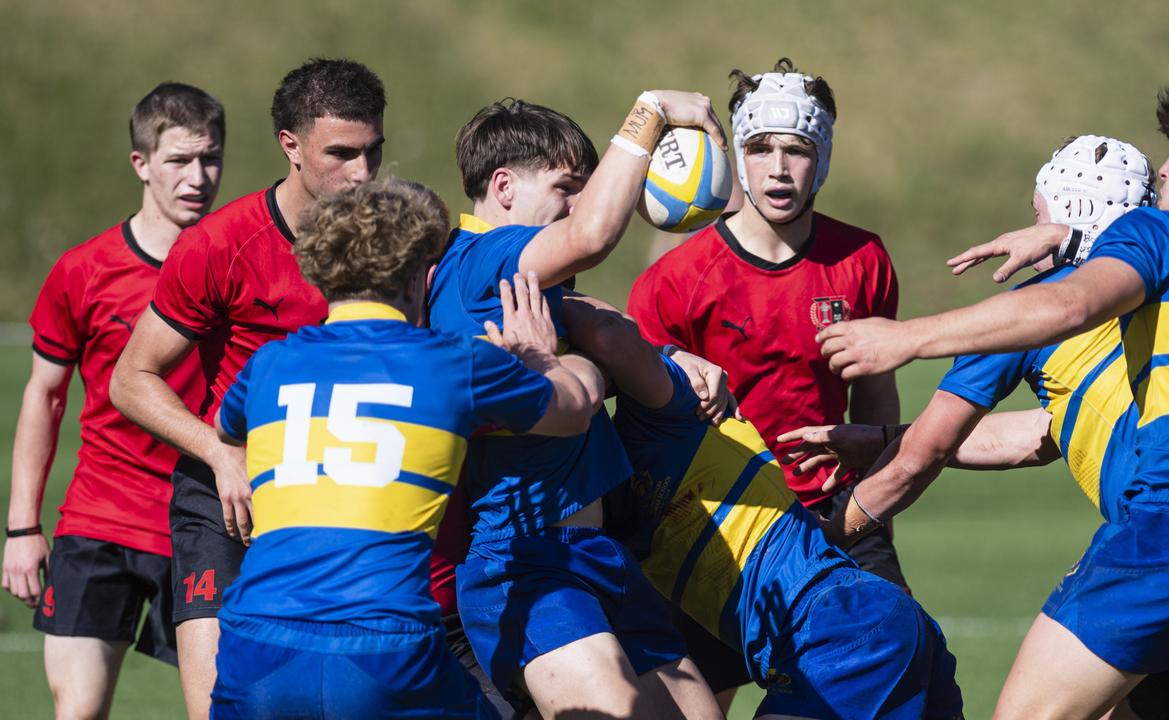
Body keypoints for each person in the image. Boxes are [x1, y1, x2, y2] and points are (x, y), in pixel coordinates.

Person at [817, 73, 1169, 719]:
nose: (1165, 173)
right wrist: (1071, 239)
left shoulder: (1161, 235)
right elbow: (1046, 430)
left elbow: (1071, 302)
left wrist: (907, 338)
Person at [208, 178, 595, 718]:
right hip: (383, 648)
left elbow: (230, 429)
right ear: (422, 275)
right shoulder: (455, 362)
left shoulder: (267, 365)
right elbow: (574, 410)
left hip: (255, 647)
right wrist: (540, 355)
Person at [430, 96, 727, 718]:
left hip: (595, 553)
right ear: (503, 185)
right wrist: (649, 112)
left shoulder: (525, 281)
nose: (577, 206)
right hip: (526, 557)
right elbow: (593, 236)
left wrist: (670, 357)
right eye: (567, 188)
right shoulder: (483, 257)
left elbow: (598, 328)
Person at [110, 58, 385, 719]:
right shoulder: (220, 244)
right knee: (221, 705)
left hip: (343, 506)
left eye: (374, 152)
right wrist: (219, 452)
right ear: (289, 146)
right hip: (225, 502)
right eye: (341, 154)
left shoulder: (393, 244)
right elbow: (131, 378)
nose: (363, 175)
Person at [550, 294, 963, 720]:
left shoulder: (669, 415)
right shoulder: (594, 513)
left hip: (834, 624)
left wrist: (523, 287)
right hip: (831, 632)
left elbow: (606, 331)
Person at [627, 58, 906, 586]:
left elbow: (874, 396)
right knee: (679, 671)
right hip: (718, 518)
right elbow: (643, 426)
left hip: (837, 509)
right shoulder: (675, 280)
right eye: (760, 149)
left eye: (797, 150)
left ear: (822, 159)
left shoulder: (863, 258)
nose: (778, 168)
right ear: (738, 156)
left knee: (907, 658)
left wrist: (875, 509)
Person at [2, 82, 223, 719]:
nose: (198, 177)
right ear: (142, 164)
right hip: (99, 521)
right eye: (179, 160)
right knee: (77, 711)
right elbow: (44, 396)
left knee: (220, 709)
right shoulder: (84, 270)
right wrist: (22, 528)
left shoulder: (231, 264)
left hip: (202, 525)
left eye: (210, 159)